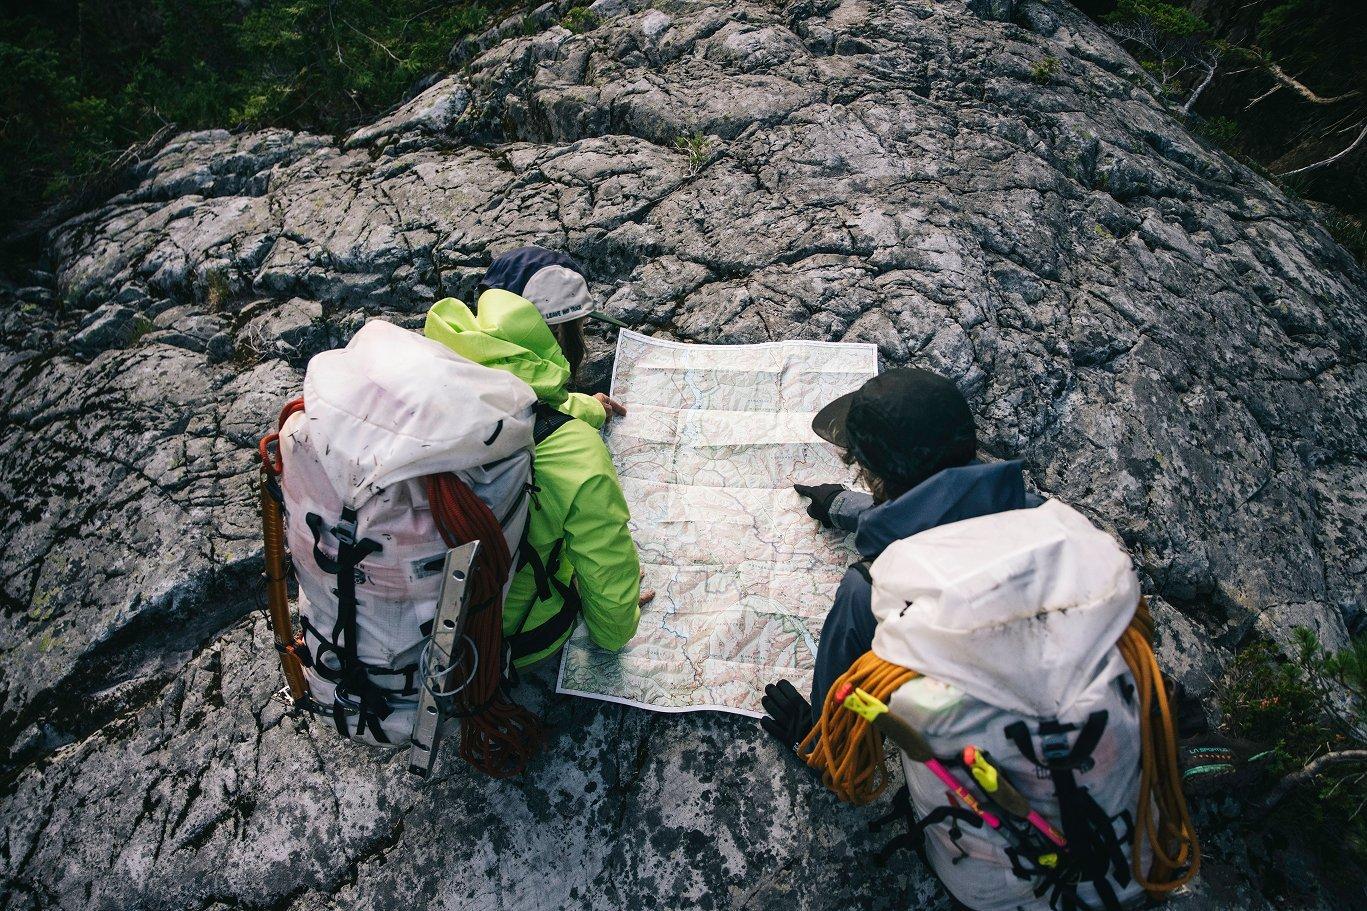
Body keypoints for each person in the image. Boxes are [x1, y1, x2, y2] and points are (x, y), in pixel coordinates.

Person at [760, 367, 1040, 747]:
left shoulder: (870, 592)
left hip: (989, 782)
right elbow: (948, 508)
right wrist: (843, 505)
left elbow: (845, 720)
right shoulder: (1038, 514)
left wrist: (815, 736)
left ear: (875, 477)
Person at [424, 245, 653, 668]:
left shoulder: (444, 367)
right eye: (580, 327)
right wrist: (615, 625)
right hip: (504, 642)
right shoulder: (575, 454)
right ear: (562, 334)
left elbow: (529, 404)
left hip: (412, 626)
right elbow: (610, 584)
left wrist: (587, 407)